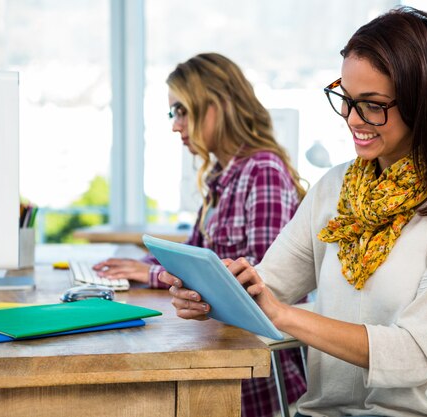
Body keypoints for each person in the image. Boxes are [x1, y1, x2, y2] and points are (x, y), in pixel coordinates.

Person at [160, 7, 427, 417]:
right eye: (345, 99)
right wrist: (214, 295)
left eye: (372, 104)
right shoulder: (335, 187)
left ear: (424, 102)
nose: (352, 119)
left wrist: (283, 315)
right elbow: (269, 287)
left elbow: (418, 352)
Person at [93, 53, 308, 417]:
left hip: (260, 378)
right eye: (172, 113)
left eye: (182, 110)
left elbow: (260, 283)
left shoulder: (262, 171)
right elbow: (197, 253)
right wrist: (141, 265)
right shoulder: (222, 176)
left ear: (217, 108)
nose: (176, 125)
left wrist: (149, 274)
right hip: (227, 355)